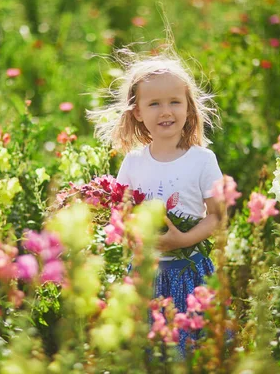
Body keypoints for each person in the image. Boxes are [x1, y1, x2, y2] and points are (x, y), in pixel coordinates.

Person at [88, 48, 223, 355]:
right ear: (137, 112)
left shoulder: (202, 160)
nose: (166, 111)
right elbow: (119, 214)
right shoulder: (134, 163)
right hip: (145, 273)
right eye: (155, 104)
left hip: (190, 271)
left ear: (189, 107)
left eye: (175, 102)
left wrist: (183, 239)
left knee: (191, 350)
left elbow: (216, 215)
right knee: (146, 351)